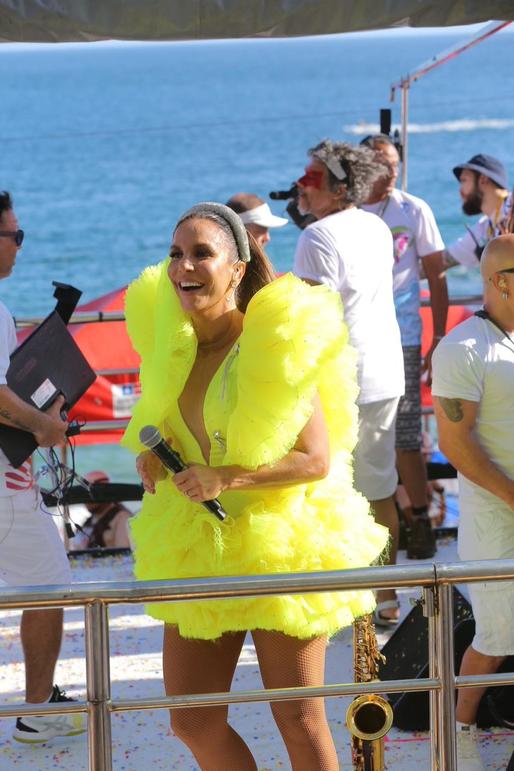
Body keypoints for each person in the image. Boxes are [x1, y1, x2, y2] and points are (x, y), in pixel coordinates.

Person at [121, 201, 388, 771]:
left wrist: (224, 476)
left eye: (201, 253)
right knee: (191, 720)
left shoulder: (274, 345)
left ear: (237, 269)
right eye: (175, 254)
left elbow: (315, 460)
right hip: (200, 547)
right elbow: (186, 430)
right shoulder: (175, 347)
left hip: (280, 546)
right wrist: (158, 457)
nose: (183, 267)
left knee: (297, 716)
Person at [292, 140, 405, 626]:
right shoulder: (377, 226)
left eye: (311, 178)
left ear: (338, 187)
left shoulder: (315, 239)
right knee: (380, 488)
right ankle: (386, 596)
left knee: (329, 488)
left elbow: (311, 318)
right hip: (384, 370)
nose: (302, 184)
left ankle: (343, 599)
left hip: (340, 379)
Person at [0, 191, 85, 743]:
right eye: (15, 236)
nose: (20, 247)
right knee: (49, 585)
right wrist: (43, 426)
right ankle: (35, 712)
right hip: (4, 483)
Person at [432, 234, 514, 770]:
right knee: (497, 634)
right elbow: (455, 445)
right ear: (503, 281)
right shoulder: (462, 348)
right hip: (494, 520)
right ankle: (461, 730)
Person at [361, 134, 448, 563]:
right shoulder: (351, 213)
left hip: (406, 337)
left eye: (396, 161)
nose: (392, 169)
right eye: (382, 161)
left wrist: (439, 335)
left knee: (407, 435)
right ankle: (373, 524)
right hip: (360, 340)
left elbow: (437, 274)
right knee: (361, 437)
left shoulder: (413, 209)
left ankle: (419, 521)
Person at [443, 154, 510, 269]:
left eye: (464, 180)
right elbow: (441, 261)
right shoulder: (485, 228)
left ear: (483, 180)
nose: (460, 191)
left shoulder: (510, 208)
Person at [70, 470, 132, 550]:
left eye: (90, 495)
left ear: (104, 493)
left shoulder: (122, 517)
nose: (86, 500)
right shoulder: (89, 521)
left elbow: (124, 555)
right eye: (84, 495)